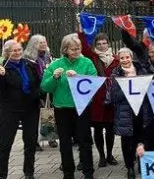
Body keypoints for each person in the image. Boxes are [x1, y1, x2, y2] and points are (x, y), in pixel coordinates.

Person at [41, 34, 97, 179]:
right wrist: (54, 77)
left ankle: (88, 171)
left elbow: (94, 83)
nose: (77, 51)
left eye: (78, 48)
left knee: (84, 140)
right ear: (65, 49)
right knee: (65, 142)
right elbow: (45, 87)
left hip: (81, 107)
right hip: (62, 109)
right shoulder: (55, 64)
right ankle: (68, 172)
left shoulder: (87, 63)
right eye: (73, 49)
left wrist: (78, 77)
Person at [0, 40, 42, 179]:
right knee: (5, 143)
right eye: (14, 50)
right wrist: (1, 76)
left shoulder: (29, 64)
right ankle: (2, 174)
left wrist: (37, 96)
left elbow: (37, 83)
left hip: (30, 108)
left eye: (19, 49)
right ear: (7, 53)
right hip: (10, 110)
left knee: (30, 142)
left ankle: (29, 172)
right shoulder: (3, 67)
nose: (17, 52)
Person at [78, 31, 119, 168]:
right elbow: (83, 46)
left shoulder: (116, 59)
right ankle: (101, 156)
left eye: (104, 43)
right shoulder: (93, 58)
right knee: (98, 129)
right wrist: (81, 28)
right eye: (99, 43)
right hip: (97, 100)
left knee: (110, 129)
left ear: (108, 44)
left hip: (111, 99)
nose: (102, 46)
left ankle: (109, 154)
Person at [109, 48, 151, 179]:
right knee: (127, 142)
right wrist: (127, 85)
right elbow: (114, 97)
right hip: (125, 112)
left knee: (141, 139)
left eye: (127, 57)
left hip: (141, 111)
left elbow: (149, 90)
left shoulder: (141, 70)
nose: (125, 60)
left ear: (131, 58)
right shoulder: (116, 74)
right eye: (122, 58)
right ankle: (130, 168)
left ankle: (141, 164)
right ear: (119, 60)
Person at [23, 34, 57, 149]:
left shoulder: (48, 55)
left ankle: (50, 137)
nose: (43, 44)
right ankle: (34, 141)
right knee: (36, 117)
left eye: (44, 41)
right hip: (35, 90)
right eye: (40, 42)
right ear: (34, 44)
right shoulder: (29, 58)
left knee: (49, 113)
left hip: (47, 88)